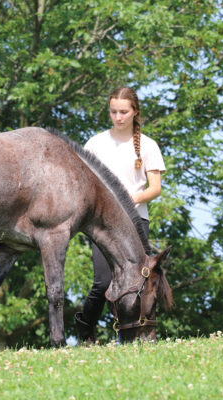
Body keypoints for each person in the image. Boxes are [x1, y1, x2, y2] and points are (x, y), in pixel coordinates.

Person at [75, 86, 166, 343]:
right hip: (102, 224)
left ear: (135, 112)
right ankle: (86, 331)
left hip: (136, 222)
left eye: (124, 112)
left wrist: (129, 200)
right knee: (103, 282)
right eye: (114, 111)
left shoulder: (148, 146)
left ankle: (132, 337)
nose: (118, 117)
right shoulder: (95, 143)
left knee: (137, 284)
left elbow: (155, 188)